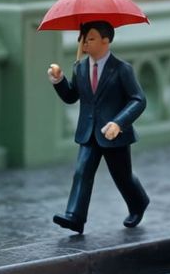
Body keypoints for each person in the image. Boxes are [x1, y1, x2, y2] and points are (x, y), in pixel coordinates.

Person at [46, 20, 150, 234]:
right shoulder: (80, 68)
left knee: (122, 176)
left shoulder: (122, 69)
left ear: (106, 40)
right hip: (88, 132)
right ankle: (75, 217)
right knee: (82, 171)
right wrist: (59, 81)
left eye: (90, 39)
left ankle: (139, 203)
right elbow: (72, 96)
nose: (85, 44)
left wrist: (119, 123)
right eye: (83, 40)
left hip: (114, 134)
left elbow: (138, 100)